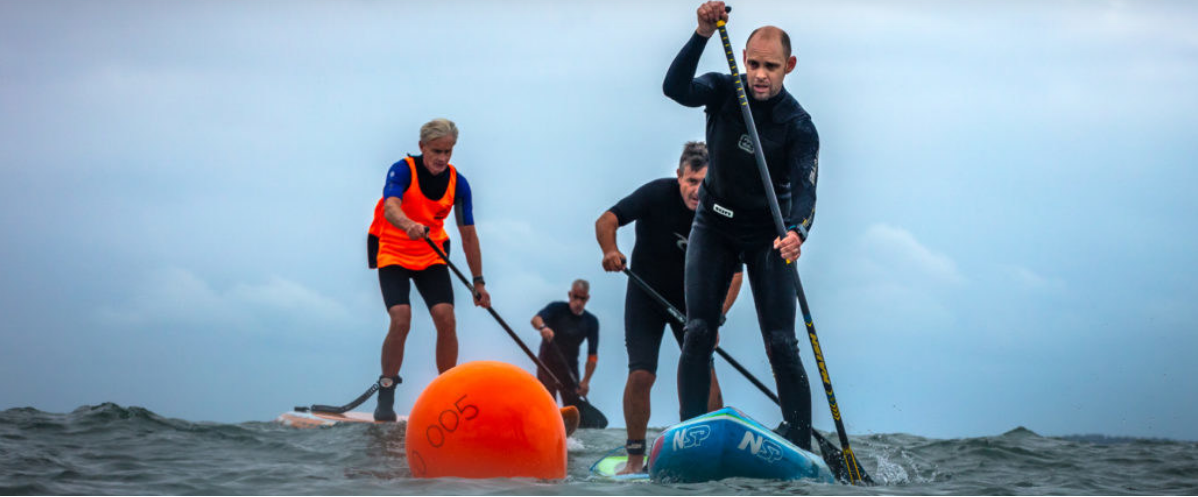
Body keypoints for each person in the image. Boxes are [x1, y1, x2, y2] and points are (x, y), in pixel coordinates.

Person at [663, 2, 821, 451]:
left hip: (769, 233)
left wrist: (797, 233)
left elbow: (808, 192)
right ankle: (688, 433)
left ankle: (798, 439)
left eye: (770, 66)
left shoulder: (799, 125)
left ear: (788, 67)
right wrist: (701, 34)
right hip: (713, 225)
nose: (759, 74)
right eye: (753, 63)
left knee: (780, 342)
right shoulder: (722, 90)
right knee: (697, 331)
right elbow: (674, 88)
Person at [595, 141, 744, 473]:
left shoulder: (720, 213)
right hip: (645, 296)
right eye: (691, 181)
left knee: (703, 373)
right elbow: (606, 220)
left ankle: (702, 450)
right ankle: (635, 459)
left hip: (694, 304)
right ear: (678, 176)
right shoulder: (656, 194)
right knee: (642, 374)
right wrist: (610, 250)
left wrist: (716, 316)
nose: (696, 191)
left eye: (704, 183)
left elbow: (735, 277)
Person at [367, 118, 491, 422]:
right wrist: (409, 224)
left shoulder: (458, 184)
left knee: (446, 318)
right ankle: (387, 389)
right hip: (393, 251)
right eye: (436, 150)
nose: (442, 158)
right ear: (422, 147)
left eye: (448, 152)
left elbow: (468, 235)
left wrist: (478, 281)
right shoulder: (402, 170)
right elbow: (390, 207)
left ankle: (446, 393)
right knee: (401, 319)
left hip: (431, 254)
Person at [530, 279, 599, 407]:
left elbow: (592, 356)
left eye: (582, 299)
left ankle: (572, 425)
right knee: (549, 403)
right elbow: (536, 319)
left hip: (570, 368)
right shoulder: (556, 308)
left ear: (587, 298)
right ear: (569, 295)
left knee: (573, 407)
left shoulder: (591, 321)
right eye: (575, 297)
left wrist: (585, 381)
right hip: (547, 364)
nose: (578, 302)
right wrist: (543, 328)